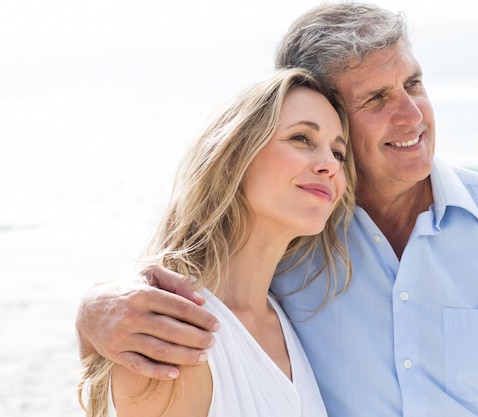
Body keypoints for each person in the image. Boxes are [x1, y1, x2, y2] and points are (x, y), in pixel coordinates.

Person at [76, 2, 478, 416]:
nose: (410, 115)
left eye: (413, 84)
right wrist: (93, 314)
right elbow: (202, 267)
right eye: (376, 99)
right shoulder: (295, 248)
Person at [77, 67, 356, 417]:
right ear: (234, 157)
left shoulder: (289, 321)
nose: (329, 164)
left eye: (339, 153)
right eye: (302, 138)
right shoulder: (172, 335)